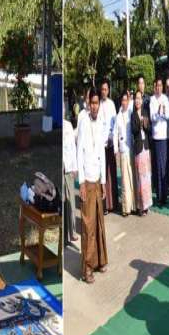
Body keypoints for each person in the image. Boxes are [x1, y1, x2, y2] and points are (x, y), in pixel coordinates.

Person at [77, 89, 109, 283]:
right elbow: (79, 152)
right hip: (87, 180)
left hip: (97, 179)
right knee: (88, 226)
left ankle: (100, 261)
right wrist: (81, 182)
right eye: (93, 103)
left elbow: (102, 153)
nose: (95, 106)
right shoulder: (83, 122)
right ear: (88, 104)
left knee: (99, 223)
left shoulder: (101, 123)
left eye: (97, 103)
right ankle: (87, 268)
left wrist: (104, 181)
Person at [113, 91, 135, 217]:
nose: (124, 102)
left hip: (131, 149)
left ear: (128, 101)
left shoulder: (131, 113)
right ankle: (126, 208)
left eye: (126, 100)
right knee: (124, 181)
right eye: (123, 100)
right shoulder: (118, 116)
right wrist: (116, 150)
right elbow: (115, 133)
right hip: (122, 150)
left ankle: (133, 206)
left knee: (132, 179)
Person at [131, 90, 153, 216]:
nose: (138, 100)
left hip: (146, 147)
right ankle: (141, 206)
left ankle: (147, 205)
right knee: (140, 178)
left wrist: (145, 125)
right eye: (136, 98)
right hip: (138, 148)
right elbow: (133, 131)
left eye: (139, 98)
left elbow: (149, 129)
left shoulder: (145, 112)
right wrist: (139, 123)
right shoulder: (133, 115)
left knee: (147, 178)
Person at [150, 78, 169, 206]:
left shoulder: (165, 99)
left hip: (163, 137)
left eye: (160, 85)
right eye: (156, 86)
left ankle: (164, 195)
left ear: (162, 87)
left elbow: (167, 115)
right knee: (158, 166)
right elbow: (152, 118)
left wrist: (161, 114)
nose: (158, 88)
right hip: (156, 137)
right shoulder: (152, 99)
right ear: (154, 87)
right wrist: (158, 113)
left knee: (164, 166)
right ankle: (159, 195)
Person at [98, 80, 118, 213]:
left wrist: (112, 138)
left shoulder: (111, 104)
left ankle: (114, 204)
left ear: (108, 90)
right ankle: (104, 205)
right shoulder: (98, 104)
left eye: (106, 89)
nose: (104, 92)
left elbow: (115, 124)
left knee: (112, 173)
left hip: (111, 143)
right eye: (102, 89)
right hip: (101, 145)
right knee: (103, 175)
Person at [62, 111, 79, 245]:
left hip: (69, 168)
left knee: (71, 202)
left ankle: (72, 232)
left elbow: (73, 148)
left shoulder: (68, 126)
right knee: (62, 202)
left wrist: (75, 167)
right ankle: (64, 236)